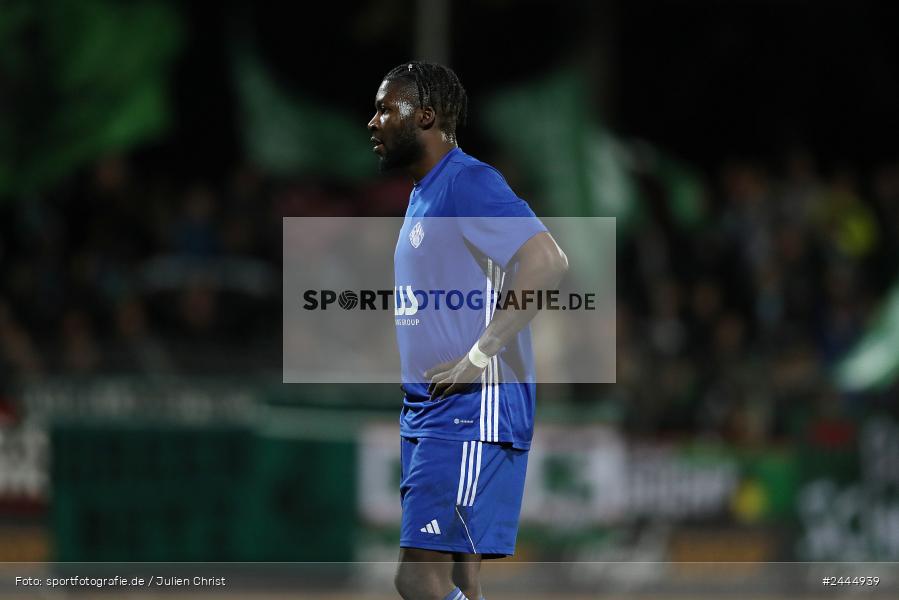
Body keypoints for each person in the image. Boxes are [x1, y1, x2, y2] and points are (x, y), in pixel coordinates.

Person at [368, 61, 568, 600]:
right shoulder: (425, 194)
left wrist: (477, 358)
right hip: (433, 408)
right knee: (460, 579)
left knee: (417, 577)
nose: (374, 121)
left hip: (469, 409)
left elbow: (547, 262)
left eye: (387, 108)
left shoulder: (468, 182)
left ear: (426, 115)